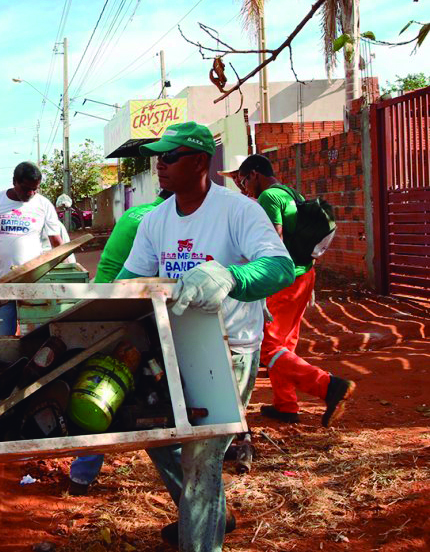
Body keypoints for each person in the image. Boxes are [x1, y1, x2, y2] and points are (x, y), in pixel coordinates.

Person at [101, 122, 295, 551]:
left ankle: (203, 538)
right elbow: (130, 283)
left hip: (228, 351)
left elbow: (279, 267)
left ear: (200, 162)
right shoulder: (156, 220)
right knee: (157, 437)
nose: (159, 164)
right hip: (174, 348)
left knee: (203, 459)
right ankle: (211, 516)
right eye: (158, 156)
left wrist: (231, 276)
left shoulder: (237, 210)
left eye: (169, 156)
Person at [67, 187, 174, 494]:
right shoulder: (156, 220)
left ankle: (81, 476)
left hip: (111, 306)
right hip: (120, 313)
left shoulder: (138, 212)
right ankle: (83, 472)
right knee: (111, 384)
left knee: (111, 381)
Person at [237, 154, 355, 426]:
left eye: (244, 181)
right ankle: (286, 404)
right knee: (284, 343)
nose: (244, 188)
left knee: (267, 346)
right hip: (305, 275)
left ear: (255, 174)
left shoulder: (268, 197)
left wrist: (259, 280)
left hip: (284, 281)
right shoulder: (290, 192)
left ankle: (327, 387)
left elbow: (272, 241)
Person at [0, 161, 63, 335]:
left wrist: (65, 268)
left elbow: (56, 241)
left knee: (35, 337)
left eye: (35, 189)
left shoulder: (44, 205)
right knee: (0, 337)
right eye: (26, 189)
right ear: (14, 181)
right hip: (2, 283)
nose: (31, 193)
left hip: (33, 282)